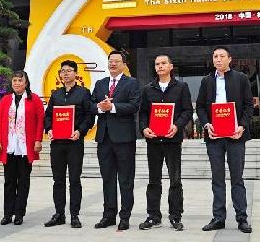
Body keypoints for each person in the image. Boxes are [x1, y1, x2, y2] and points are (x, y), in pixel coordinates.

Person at [196, 46, 254, 234]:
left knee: (237, 178)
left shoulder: (241, 78)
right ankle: (218, 218)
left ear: (230, 59)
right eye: (215, 56)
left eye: (222, 56)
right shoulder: (206, 81)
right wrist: (207, 125)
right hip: (214, 137)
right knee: (217, 178)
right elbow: (200, 107)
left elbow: (249, 105)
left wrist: (242, 126)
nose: (218, 59)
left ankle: (242, 218)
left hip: (236, 135)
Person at [138, 54, 193, 232]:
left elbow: (187, 111)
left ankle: (175, 217)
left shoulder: (181, 87)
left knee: (175, 180)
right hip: (153, 141)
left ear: (171, 66)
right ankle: (153, 216)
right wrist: (144, 128)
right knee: (153, 180)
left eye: (163, 63)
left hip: (172, 140)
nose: (160, 66)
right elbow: (143, 113)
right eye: (157, 64)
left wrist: (177, 126)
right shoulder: (148, 89)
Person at [90, 51, 140, 231]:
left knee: (125, 180)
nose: (112, 64)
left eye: (116, 61)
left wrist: (112, 107)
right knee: (108, 179)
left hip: (124, 139)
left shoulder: (131, 83)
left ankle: (124, 217)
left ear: (124, 64)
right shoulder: (100, 83)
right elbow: (90, 105)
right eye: (110, 61)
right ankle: (109, 215)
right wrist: (100, 107)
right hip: (104, 139)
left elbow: (134, 106)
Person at [44, 60, 95, 229]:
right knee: (58, 180)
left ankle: (74, 215)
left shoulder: (83, 93)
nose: (65, 74)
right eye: (62, 71)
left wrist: (80, 131)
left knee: (74, 179)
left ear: (76, 73)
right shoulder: (56, 94)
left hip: (74, 143)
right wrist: (49, 129)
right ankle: (59, 214)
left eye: (68, 70)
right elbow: (48, 115)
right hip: (57, 143)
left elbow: (89, 116)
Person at [0, 70, 44, 226]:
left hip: (25, 147)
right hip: (9, 146)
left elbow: (40, 120)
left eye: (20, 80)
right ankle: (7, 214)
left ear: (26, 83)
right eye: (14, 80)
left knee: (23, 181)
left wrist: (38, 140)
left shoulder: (34, 99)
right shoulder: (5, 100)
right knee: (9, 181)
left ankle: (19, 213)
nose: (17, 83)